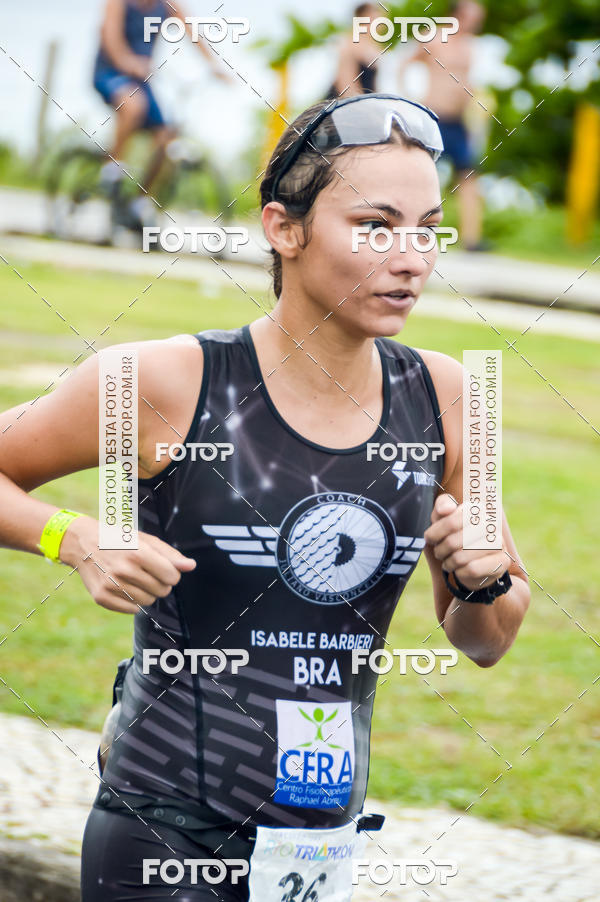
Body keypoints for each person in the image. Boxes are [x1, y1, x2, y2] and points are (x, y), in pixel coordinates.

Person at [0, 94, 530, 900]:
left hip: (318, 853)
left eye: (427, 227)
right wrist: (71, 537)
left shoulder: (452, 399)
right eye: (377, 225)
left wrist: (482, 577)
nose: (413, 256)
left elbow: (486, 638)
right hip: (163, 828)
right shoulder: (165, 383)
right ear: (284, 228)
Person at [93, 0, 230, 228]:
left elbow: (192, 32)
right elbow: (110, 35)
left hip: (141, 79)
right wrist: (125, 60)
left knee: (167, 136)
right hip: (111, 72)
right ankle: (112, 170)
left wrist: (213, 66)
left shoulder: (166, 5)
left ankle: (140, 201)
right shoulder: (118, 3)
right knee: (133, 106)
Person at [397, 0, 488, 250]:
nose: (478, 22)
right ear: (458, 14)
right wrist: (411, 99)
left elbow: (467, 81)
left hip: (460, 123)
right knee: (422, 176)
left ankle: (472, 241)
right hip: (434, 118)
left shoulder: (470, 47)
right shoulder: (434, 38)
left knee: (469, 177)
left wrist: (476, 110)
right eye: (474, 17)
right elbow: (404, 65)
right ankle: (411, 233)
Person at [325, 3, 382, 99]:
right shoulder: (349, 44)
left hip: (364, 102)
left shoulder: (374, 46)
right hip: (344, 104)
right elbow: (346, 86)